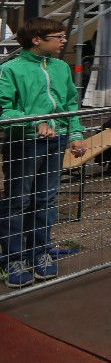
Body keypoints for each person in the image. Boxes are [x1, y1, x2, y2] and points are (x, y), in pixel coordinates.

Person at [0, 18, 86, 288]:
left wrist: (75, 134)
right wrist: (34, 123)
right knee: (17, 201)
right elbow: (4, 111)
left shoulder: (61, 67)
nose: (64, 40)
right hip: (23, 143)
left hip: (56, 141)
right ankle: (12, 259)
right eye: (58, 36)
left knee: (45, 200)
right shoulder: (10, 70)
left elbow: (70, 103)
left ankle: (40, 253)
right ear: (36, 39)